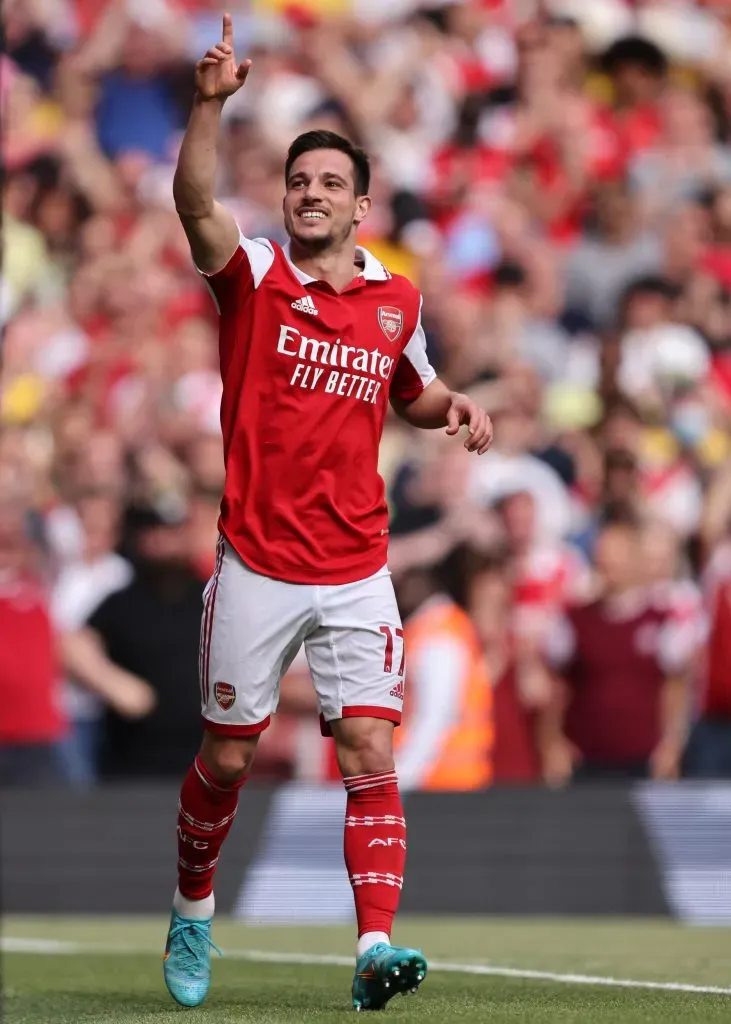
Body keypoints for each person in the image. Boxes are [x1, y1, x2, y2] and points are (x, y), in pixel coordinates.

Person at [163, 14, 493, 1014]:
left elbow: (411, 390)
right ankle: (191, 904)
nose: (308, 193)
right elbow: (192, 202)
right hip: (258, 560)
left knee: (368, 752)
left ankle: (373, 946)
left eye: (327, 184)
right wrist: (210, 104)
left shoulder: (396, 298)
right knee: (226, 755)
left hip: (356, 564)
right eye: (297, 181)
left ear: (361, 204)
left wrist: (455, 407)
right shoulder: (256, 277)